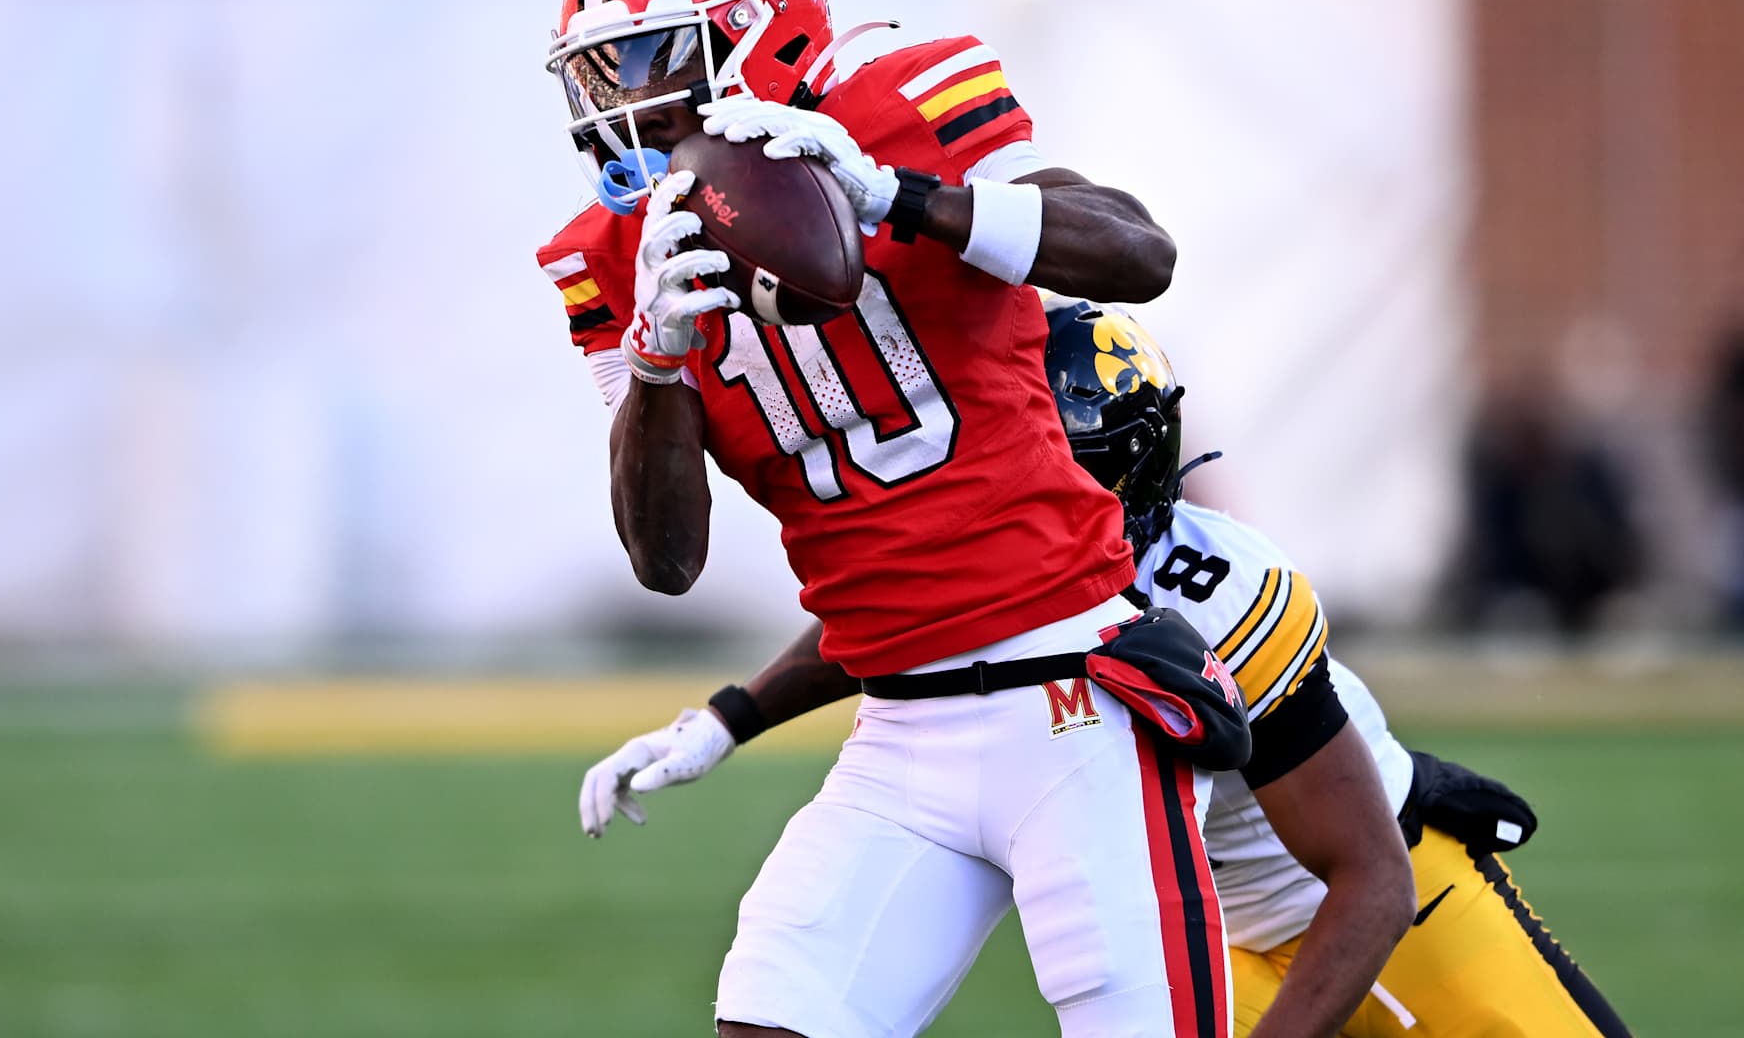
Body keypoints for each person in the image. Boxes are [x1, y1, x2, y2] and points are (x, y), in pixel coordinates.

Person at [539, 0, 1230, 1038]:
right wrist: (658, 359)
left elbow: (1137, 253)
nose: (621, 104)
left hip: (1074, 697)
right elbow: (666, 560)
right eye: (600, 74)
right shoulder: (615, 254)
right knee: (772, 1018)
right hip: (901, 733)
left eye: (649, 57)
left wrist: (893, 195)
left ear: (759, 33)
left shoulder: (898, 108)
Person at [585, 298, 1635, 1038]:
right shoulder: (991, 559)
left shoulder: (1222, 591)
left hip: (1391, 899)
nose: (1018, 502)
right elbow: (895, 624)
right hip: (1214, 932)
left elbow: (1368, 880)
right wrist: (727, 717)